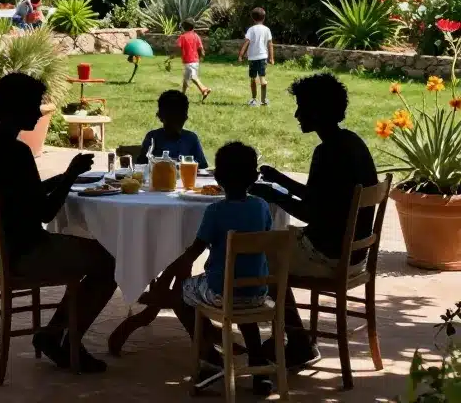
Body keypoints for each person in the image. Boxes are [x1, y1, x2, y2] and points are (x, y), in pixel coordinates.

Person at [0, 73, 116, 373]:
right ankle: (63, 338)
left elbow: (18, 193)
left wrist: (60, 179)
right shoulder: (16, 152)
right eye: (34, 105)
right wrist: (72, 174)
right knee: (109, 263)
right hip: (23, 253)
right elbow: (45, 212)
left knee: (97, 257)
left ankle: (55, 333)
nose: (39, 112)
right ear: (17, 108)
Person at [252, 73, 378, 370]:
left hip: (327, 255)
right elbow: (323, 198)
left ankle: (297, 343)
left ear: (318, 111)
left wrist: (273, 194)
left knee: (256, 254)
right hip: (354, 255)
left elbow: (310, 212)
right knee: (272, 245)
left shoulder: (327, 152)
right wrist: (280, 180)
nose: (296, 114)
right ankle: (296, 339)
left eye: (301, 108)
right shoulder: (350, 143)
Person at [133, 142, 274, 394]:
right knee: (239, 297)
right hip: (257, 291)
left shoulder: (215, 211)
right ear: (254, 177)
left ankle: (210, 356)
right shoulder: (262, 207)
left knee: (182, 297)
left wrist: (166, 276)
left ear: (217, 177)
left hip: (220, 290)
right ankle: (257, 363)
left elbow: (192, 254)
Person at [137, 90, 209, 168]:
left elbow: (202, 168)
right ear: (161, 117)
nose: (174, 126)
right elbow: (141, 167)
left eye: (178, 120)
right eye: (170, 120)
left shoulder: (191, 139)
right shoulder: (152, 138)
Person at [238, 7, 274, 107]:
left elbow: (247, 42)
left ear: (253, 18)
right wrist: (271, 58)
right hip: (263, 57)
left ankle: (254, 100)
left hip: (253, 58)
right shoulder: (267, 29)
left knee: (253, 79)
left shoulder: (251, 29)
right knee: (262, 77)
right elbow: (270, 44)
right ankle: (263, 100)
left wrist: (241, 55)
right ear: (264, 18)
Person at [176, 19, 212, 102]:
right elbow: (201, 48)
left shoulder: (182, 37)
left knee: (193, 77)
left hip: (188, 61)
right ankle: (182, 95)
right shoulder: (196, 36)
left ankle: (204, 89)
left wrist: (173, 56)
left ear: (184, 28)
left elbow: (178, 48)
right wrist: (202, 55)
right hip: (195, 60)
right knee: (186, 79)